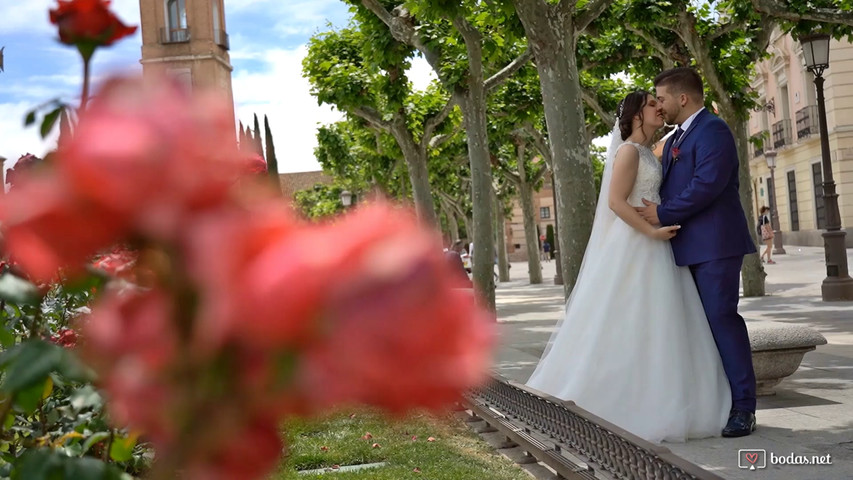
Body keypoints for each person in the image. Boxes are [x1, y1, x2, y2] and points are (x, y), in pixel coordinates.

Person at [526, 90, 731, 443]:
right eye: (652, 104)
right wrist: (652, 232)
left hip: (656, 244)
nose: (659, 107)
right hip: (639, 243)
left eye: (658, 101)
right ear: (637, 114)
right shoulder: (628, 152)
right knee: (630, 317)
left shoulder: (649, 150)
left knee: (661, 321)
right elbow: (617, 203)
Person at [637, 67, 758, 438]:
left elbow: (708, 184)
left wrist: (663, 213)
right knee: (699, 328)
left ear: (682, 98)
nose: (659, 105)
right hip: (686, 246)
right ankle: (717, 403)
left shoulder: (714, 130)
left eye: (661, 97)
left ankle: (743, 408)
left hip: (716, 246)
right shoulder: (678, 136)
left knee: (722, 320)